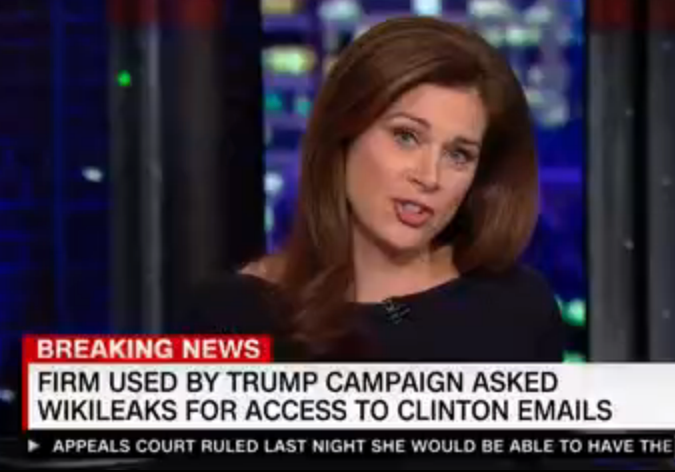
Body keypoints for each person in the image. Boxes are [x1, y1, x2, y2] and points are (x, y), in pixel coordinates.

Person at [182, 16, 569, 364]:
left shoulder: (518, 312)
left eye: (458, 155)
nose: (429, 177)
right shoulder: (228, 316)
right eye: (406, 136)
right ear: (344, 134)